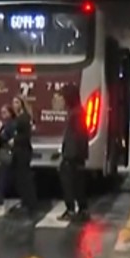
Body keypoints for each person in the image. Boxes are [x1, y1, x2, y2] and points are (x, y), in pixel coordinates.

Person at [58, 85, 89, 221]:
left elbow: (77, 137)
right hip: (76, 155)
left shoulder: (76, 114)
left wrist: (68, 155)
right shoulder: (77, 112)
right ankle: (81, 209)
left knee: (70, 183)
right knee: (77, 183)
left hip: (72, 156)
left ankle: (72, 209)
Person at [10, 95, 40, 214]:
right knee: (20, 178)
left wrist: (15, 140)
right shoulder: (19, 117)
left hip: (23, 151)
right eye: (13, 102)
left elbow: (26, 135)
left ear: (22, 104)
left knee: (25, 178)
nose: (14, 105)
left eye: (17, 102)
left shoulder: (24, 118)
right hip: (19, 150)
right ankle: (26, 201)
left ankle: (30, 203)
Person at [0, 104, 15, 205]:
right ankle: (0, 196)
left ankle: (0, 197)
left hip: (7, 153)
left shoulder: (11, 124)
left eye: (5, 112)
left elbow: (7, 137)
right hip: (5, 153)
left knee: (3, 176)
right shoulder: (6, 124)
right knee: (4, 175)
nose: (3, 115)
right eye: (2, 112)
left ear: (10, 113)